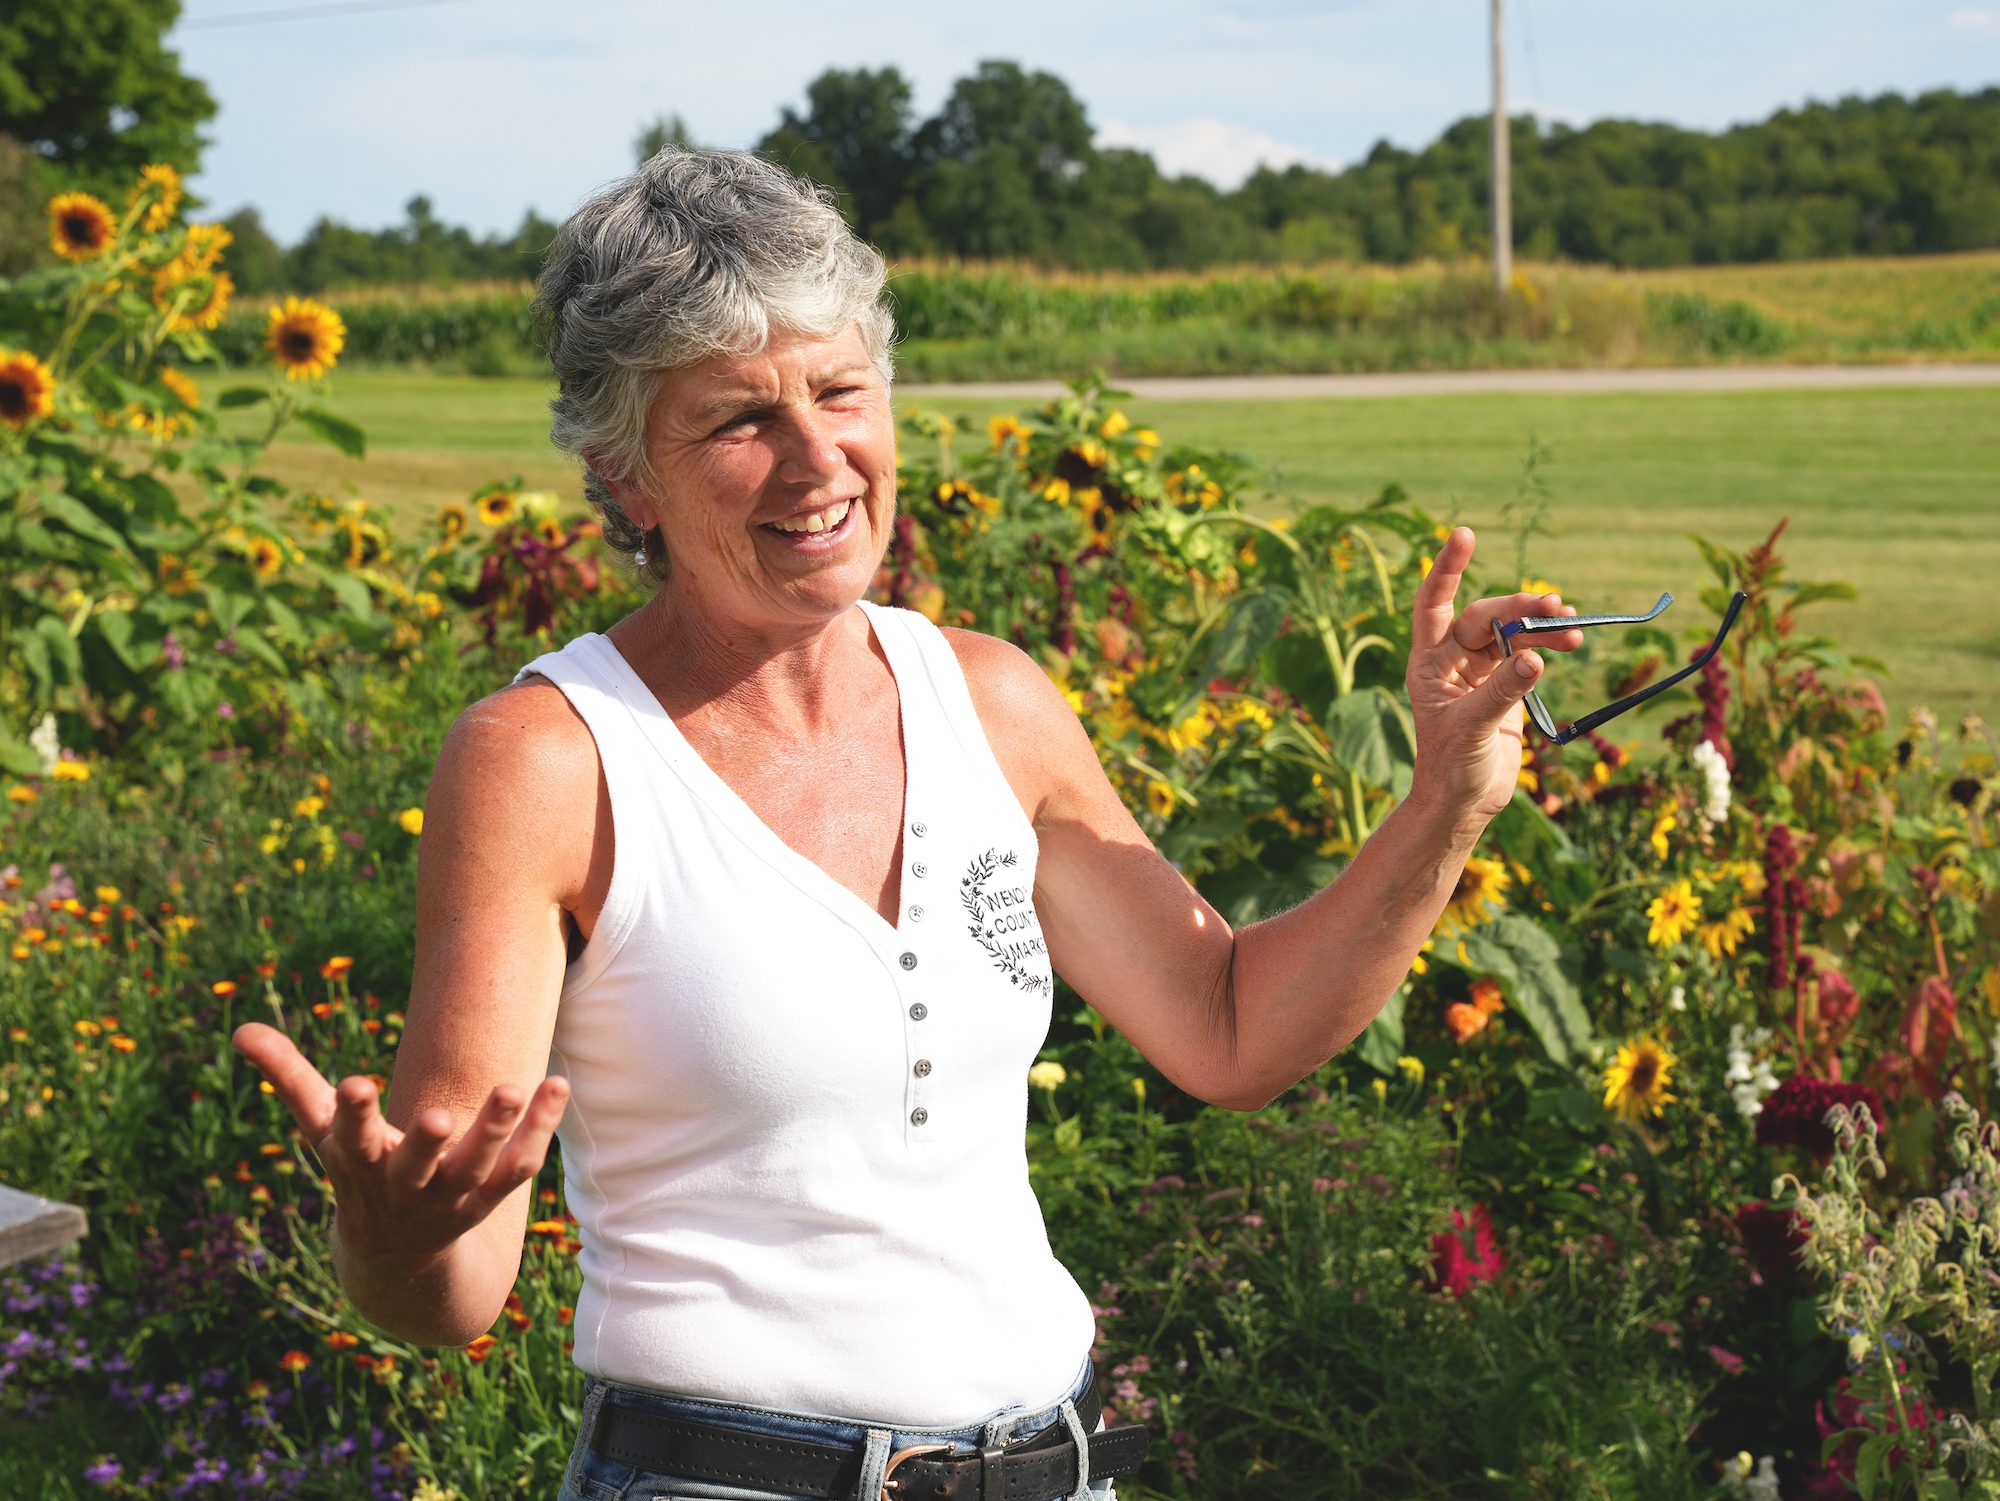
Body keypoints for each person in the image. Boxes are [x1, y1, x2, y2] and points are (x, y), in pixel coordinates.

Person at [230, 147, 1582, 1501]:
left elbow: (1229, 1028)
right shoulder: (550, 760)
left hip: (1048, 1470)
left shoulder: (988, 699)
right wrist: (389, 1233)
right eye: (738, 419)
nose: (817, 459)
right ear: (625, 475)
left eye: (841, 390)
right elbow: (452, 1291)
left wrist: (1443, 803)